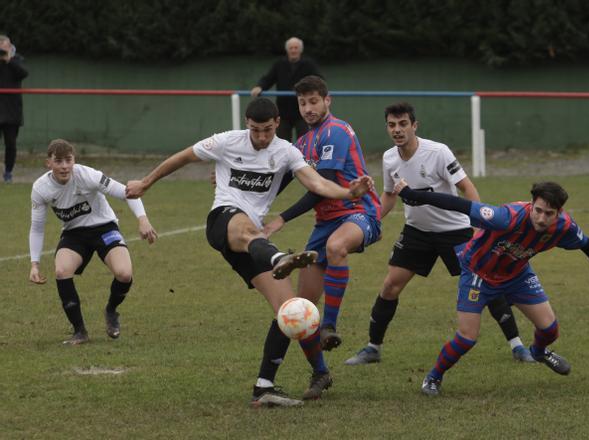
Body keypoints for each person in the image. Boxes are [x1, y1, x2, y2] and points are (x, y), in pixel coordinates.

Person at [125, 97, 373, 407]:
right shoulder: (226, 141)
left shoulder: (285, 151)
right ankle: (277, 258)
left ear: (277, 124)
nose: (261, 137)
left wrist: (349, 192)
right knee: (246, 227)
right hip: (224, 221)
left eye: (267, 130)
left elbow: (318, 184)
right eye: (255, 130)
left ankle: (264, 387)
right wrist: (146, 182)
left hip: (253, 245)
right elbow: (184, 157)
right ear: (246, 124)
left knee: (290, 310)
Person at [390, 179, 589, 396]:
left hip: (516, 275)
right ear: (531, 204)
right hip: (478, 273)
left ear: (559, 212)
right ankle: (433, 376)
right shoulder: (505, 217)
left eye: (548, 213)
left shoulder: (564, 227)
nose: (541, 218)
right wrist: (414, 194)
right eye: (538, 210)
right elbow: (459, 204)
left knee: (550, 329)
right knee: (467, 338)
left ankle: (539, 352)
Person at [344, 102, 534, 366]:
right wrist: (371, 221)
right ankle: (372, 347)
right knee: (390, 285)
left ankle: (518, 346)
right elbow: (388, 195)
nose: (397, 130)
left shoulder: (438, 152)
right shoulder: (389, 158)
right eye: (391, 125)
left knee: (486, 284)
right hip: (417, 233)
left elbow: (467, 188)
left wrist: (480, 225)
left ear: (414, 125)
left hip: (454, 232)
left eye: (402, 124)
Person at [262, 75, 382, 351]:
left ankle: (330, 324)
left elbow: (322, 187)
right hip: (325, 223)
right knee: (300, 311)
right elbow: (275, 182)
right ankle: (319, 373)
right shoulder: (302, 143)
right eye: (302, 103)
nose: (308, 108)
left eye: (313, 101)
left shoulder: (336, 131)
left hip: (359, 212)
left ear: (327, 100)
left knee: (336, 245)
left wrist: (280, 220)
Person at [28, 139, 158, 345]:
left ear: (74, 160)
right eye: (59, 161)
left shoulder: (88, 175)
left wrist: (143, 219)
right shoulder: (41, 188)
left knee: (124, 274)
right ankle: (80, 332)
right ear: (48, 163)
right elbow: (37, 227)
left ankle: (111, 310)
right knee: (62, 270)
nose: (64, 166)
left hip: (104, 227)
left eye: (68, 160)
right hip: (74, 234)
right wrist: (34, 264)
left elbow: (128, 193)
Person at [250, 37, 322, 143]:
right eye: (291, 48)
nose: (293, 50)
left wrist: (309, 90)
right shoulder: (279, 64)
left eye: (296, 48)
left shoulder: (308, 64)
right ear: (287, 50)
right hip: (283, 112)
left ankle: (303, 160)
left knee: (305, 142)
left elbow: (318, 80)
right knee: (281, 142)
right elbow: (268, 78)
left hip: (302, 112)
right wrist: (260, 86)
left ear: (300, 50)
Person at [0, 34, 28, 183]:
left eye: (6, 48)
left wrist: (9, 60)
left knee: (11, 144)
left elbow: (24, 73)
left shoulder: (17, 59)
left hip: (12, 111)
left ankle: (8, 173)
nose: (4, 51)